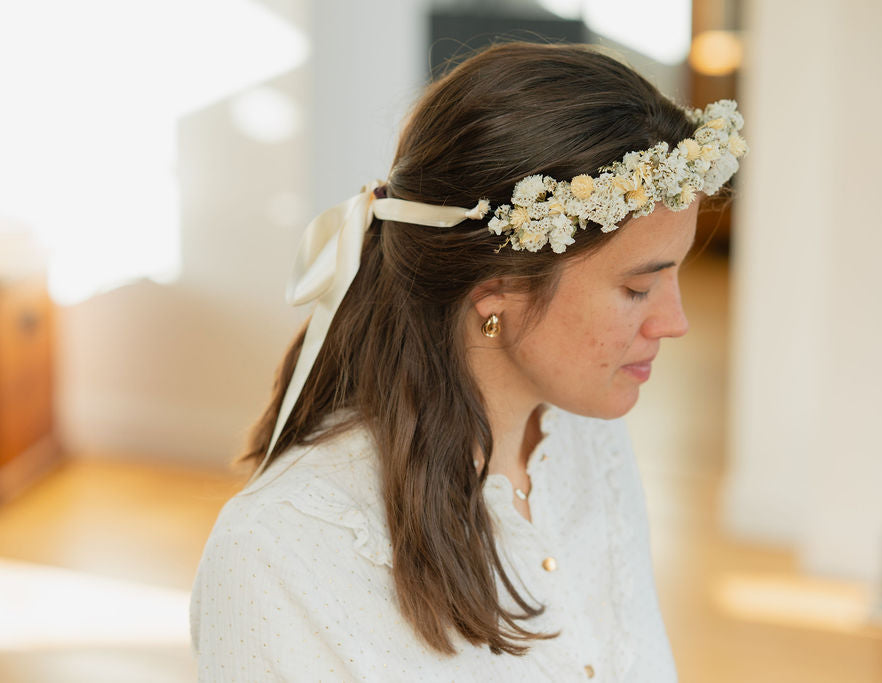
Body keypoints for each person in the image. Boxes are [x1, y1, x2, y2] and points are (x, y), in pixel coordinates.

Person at [189, 40, 747, 682]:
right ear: (497, 286)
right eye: (637, 289)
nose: (674, 323)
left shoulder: (588, 437)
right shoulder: (278, 552)